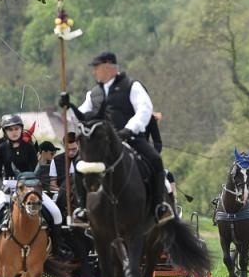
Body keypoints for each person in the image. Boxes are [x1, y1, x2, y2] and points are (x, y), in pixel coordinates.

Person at [59, 51, 171, 225]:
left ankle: (159, 207)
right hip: (102, 144)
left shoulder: (131, 86)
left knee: (155, 160)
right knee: (80, 166)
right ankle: (83, 210)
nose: (94, 71)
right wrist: (67, 107)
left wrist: (129, 129)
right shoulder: (94, 93)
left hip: (130, 138)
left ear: (108, 67)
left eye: (97, 67)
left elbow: (144, 109)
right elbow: (79, 117)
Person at [0, 113, 50, 267]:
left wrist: (31, 186)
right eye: (10, 129)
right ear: (5, 132)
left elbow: (34, 172)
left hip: (28, 187)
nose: (14, 132)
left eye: (17, 128)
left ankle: (57, 249)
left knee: (55, 213)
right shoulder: (1, 149)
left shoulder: (29, 148)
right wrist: (2, 187)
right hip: (8, 188)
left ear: (21, 129)